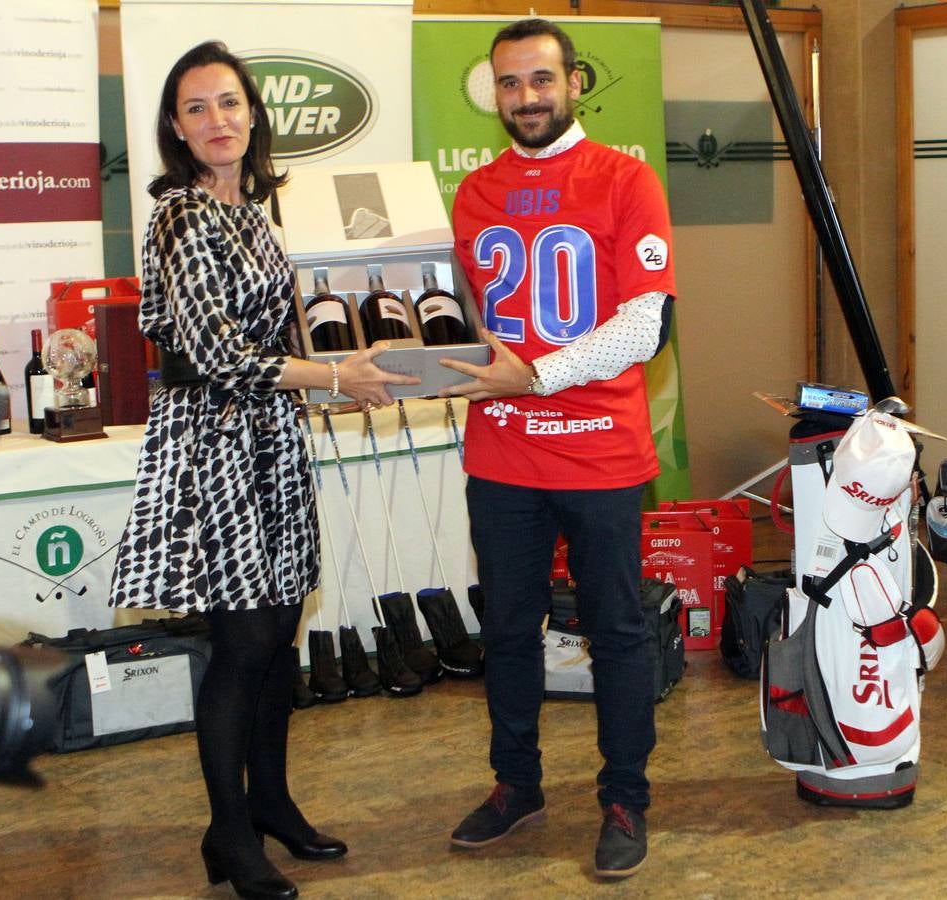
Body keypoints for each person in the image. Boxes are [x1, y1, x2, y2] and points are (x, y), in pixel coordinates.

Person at [109, 40, 418, 900]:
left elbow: (270, 346)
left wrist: (339, 384)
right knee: (242, 645)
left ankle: (273, 802)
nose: (217, 121)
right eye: (197, 107)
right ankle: (228, 833)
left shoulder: (249, 212)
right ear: (175, 126)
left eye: (230, 103)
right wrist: (332, 376)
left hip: (271, 436)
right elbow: (211, 351)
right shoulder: (179, 214)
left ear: (254, 114)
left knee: (278, 633)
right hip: (214, 443)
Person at [438, 18, 677, 880]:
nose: (525, 98)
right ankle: (516, 785)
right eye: (508, 83)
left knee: (616, 631)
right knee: (505, 631)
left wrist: (533, 378)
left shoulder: (626, 179)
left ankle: (623, 798)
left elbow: (642, 326)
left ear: (573, 81)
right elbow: (464, 330)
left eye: (540, 80)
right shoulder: (474, 195)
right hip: (501, 457)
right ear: (492, 92)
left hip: (601, 454)